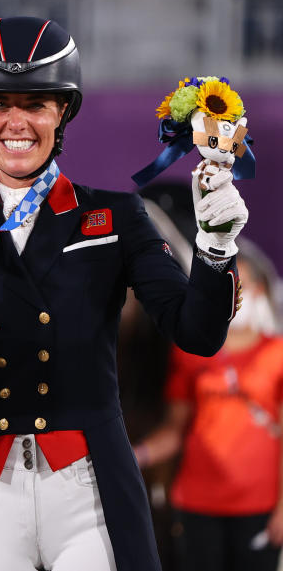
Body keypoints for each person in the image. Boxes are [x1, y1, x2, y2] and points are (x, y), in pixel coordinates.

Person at [0, 17, 248, 571]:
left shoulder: (115, 216)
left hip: (88, 486)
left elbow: (198, 333)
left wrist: (214, 250)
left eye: (36, 104)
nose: (16, 122)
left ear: (62, 112)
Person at [134, 239, 283, 571]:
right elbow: (175, 430)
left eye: (247, 288)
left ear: (262, 292)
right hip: (196, 503)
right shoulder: (191, 350)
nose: (240, 299)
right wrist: (132, 456)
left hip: (258, 506)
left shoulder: (278, 354)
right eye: (232, 290)